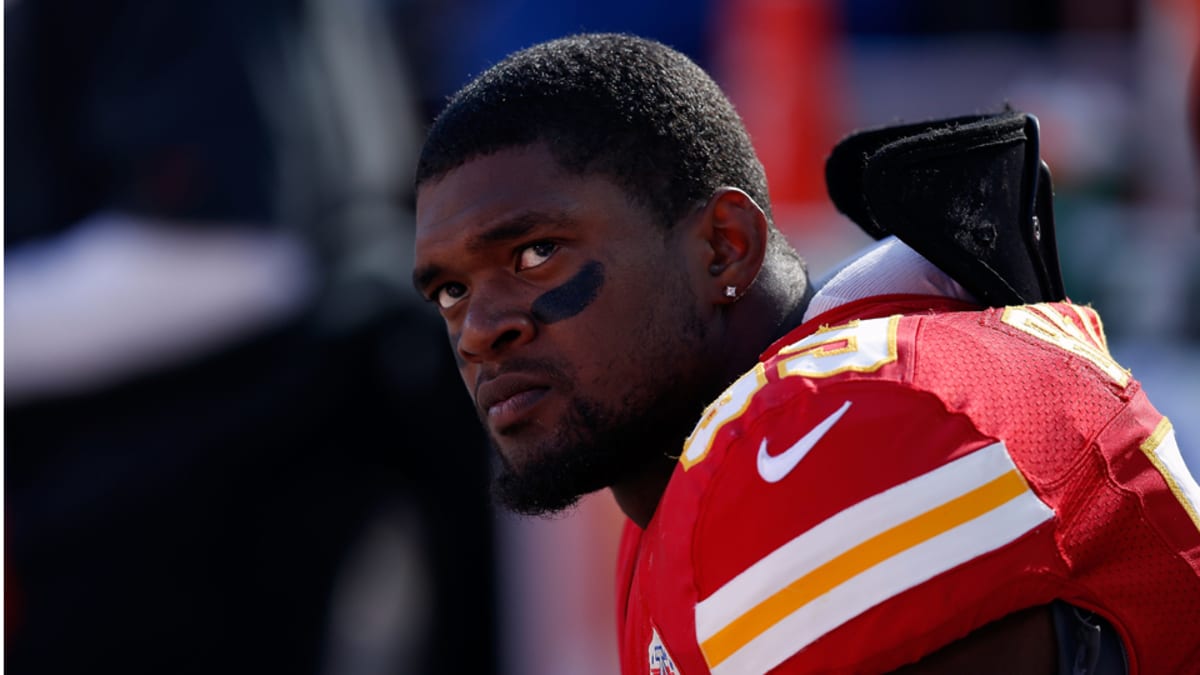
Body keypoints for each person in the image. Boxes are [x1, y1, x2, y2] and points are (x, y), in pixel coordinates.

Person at [411, 33, 1200, 674]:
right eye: (448, 291)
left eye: (536, 251)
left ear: (724, 246)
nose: (480, 327)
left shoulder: (816, 433)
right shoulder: (692, 482)